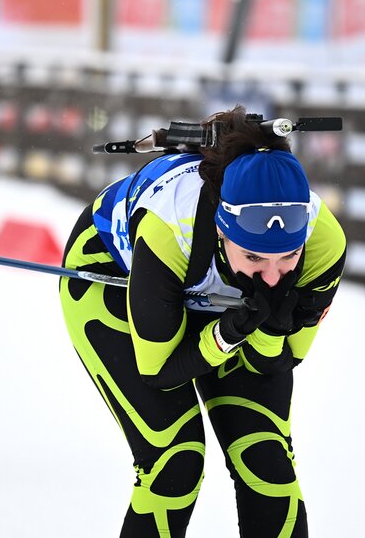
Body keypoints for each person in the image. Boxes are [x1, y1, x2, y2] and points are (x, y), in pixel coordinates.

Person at [59, 105, 346, 536]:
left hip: (215, 299)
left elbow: (281, 361)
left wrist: (269, 328)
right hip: (115, 281)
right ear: (221, 230)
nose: (272, 276)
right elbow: (158, 371)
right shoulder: (171, 231)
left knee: (266, 463)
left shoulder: (324, 245)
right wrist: (229, 333)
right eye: (253, 256)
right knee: (175, 461)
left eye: (288, 257)